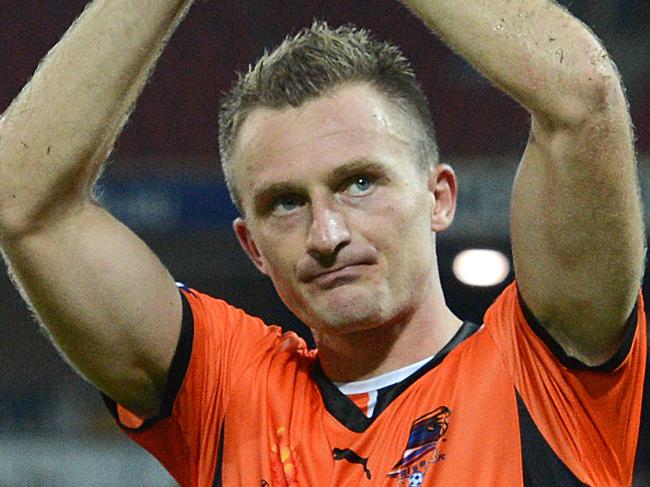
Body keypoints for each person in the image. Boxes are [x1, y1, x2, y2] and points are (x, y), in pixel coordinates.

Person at [0, 0, 647, 486]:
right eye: (285, 202)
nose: (327, 234)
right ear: (251, 246)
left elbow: (582, 98)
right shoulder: (229, 390)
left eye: (359, 182)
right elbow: (22, 203)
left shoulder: (544, 371)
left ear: (440, 196)